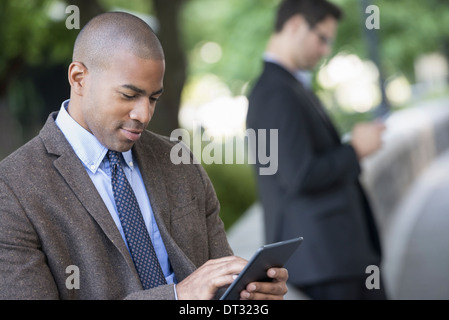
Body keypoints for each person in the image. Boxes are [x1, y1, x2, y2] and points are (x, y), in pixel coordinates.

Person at [0, 11, 288, 300]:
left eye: (153, 98)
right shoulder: (12, 190)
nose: (144, 114)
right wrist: (176, 296)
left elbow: (219, 284)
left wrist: (249, 293)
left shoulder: (178, 160)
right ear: (78, 78)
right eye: (128, 95)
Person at [246, 0, 387, 300]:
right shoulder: (275, 92)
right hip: (326, 262)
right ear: (296, 24)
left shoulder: (285, 86)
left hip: (330, 260)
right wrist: (356, 150)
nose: (325, 50)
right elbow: (299, 175)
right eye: (322, 38)